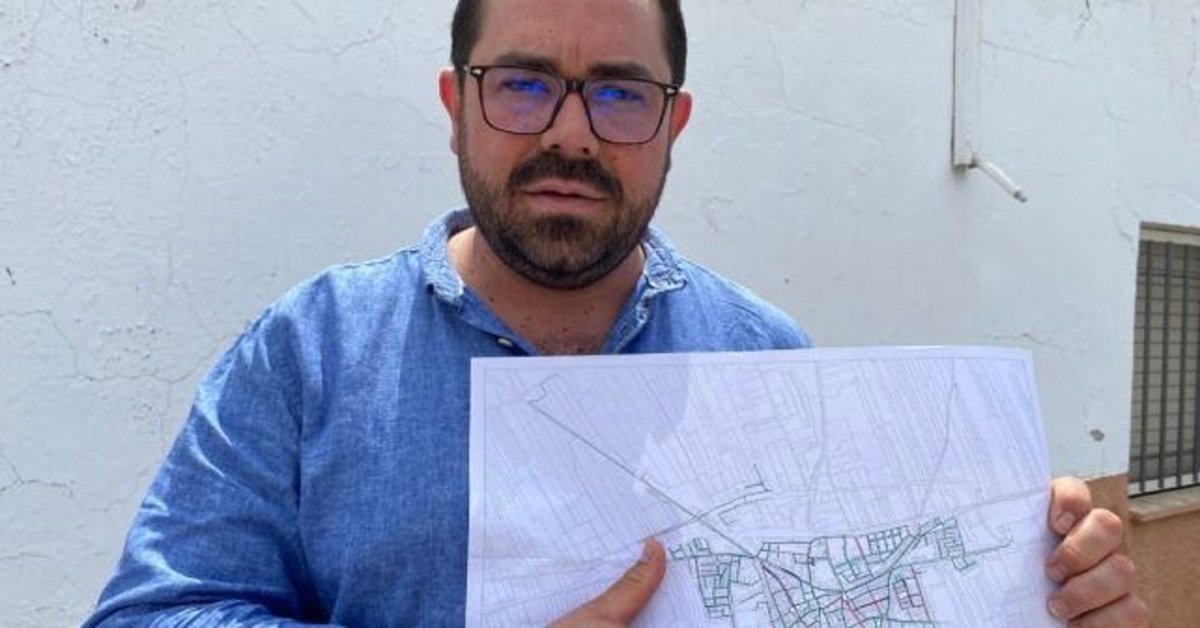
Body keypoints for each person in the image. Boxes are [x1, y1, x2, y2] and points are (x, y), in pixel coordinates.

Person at [85, 0, 1147, 625]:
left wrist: (1026, 584)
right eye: (523, 83)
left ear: (674, 124)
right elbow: (150, 615)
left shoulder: (766, 358)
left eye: (621, 92)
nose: (572, 133)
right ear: (456, 104)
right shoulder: (310, 352)